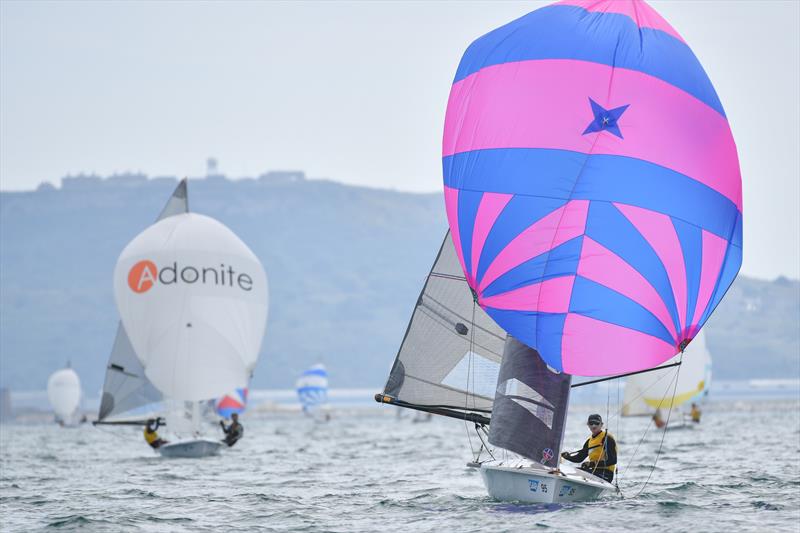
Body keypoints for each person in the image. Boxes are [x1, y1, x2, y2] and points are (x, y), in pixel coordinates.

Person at [561, 414, 618, 483]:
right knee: (567, 473)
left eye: (596, 423)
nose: (594, 426)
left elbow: (613, 460)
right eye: (591, 423)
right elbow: (579, 458)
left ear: (601, 424)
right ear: (588, 424)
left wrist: (591, 464)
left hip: (606, 474)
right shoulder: (589, 441)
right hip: (593, 472)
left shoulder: (607, 438)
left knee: (577, 474)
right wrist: (567, 457)